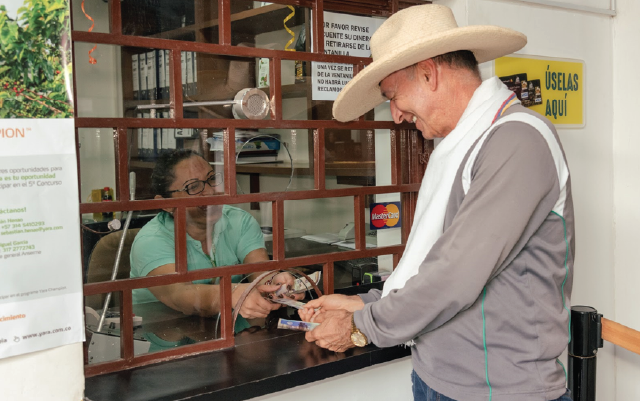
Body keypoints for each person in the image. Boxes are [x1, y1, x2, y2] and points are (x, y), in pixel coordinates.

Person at [299, 5, 574, 401]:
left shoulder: (517, 141)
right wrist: (364, 301)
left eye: (393, 97)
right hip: (437, 378)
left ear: (429, 73)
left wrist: (359, 325)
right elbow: (434, 264)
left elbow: (454, 276)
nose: (395, 115)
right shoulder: (463, 145)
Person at [130, 149, 300, 333]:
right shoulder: (151, 241)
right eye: (193, 187)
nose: (211, 192)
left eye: (211, 179)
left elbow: (260, 272)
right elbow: (180, 295)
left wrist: (275, 284)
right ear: (165, 203)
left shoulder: (238, 221)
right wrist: (232, 294)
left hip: (230, 328)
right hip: (165, 333)